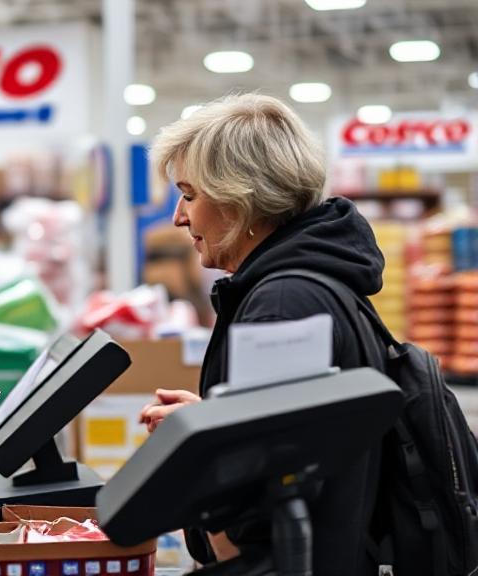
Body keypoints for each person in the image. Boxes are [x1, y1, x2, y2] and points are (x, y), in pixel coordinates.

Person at [137, 93, 387, 574]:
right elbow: (303, 442)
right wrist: (216, 422)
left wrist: (196, 454)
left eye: (189, 195)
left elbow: (255, 526)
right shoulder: (318, 283)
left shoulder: (281, 308)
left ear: (239, 199)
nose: (178, 217)